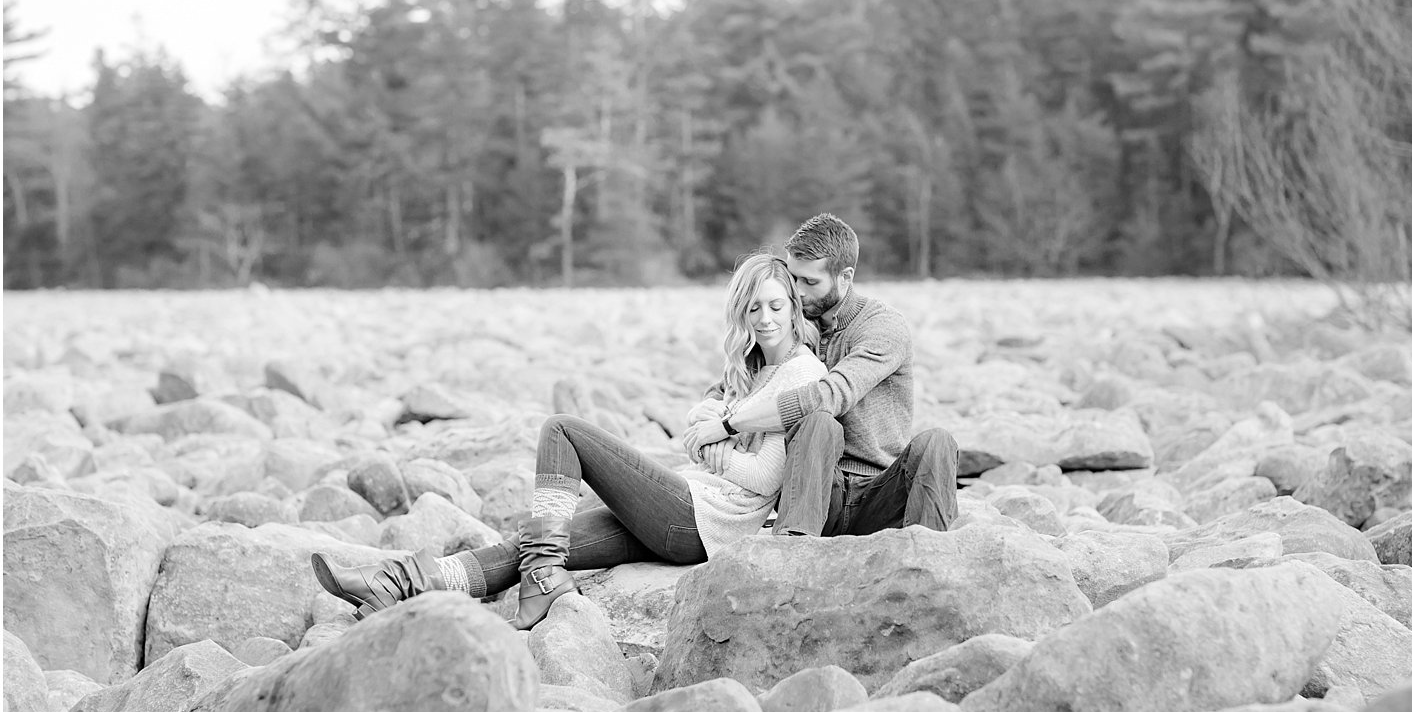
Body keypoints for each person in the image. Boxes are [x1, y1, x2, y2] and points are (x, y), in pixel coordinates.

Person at [311, 252, 826, 630]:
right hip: (687, 511)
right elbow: (698, 418)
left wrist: (713, 445)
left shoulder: (801, 372)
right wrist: (709, 434)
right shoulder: (752, 370)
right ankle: (391, 586)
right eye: (753, 308)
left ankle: (539, 581)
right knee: (536, 542)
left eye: (775, 306)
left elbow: (763, 478)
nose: (765, 319)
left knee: (563, 431)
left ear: (794, 309)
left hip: (704, 521)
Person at [684, 213, 958, 537]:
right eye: (794, 278)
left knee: (937, 441)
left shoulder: (882, 327)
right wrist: (710, 416)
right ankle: (792, 547)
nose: (797, 292)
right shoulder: (797, 324)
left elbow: (830, 395)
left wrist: (728, 426)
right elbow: (733, 383)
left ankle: (929, 557)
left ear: (845, 277)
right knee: (818, 425)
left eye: (810, 282)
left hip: (878, 495)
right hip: (814, 493)